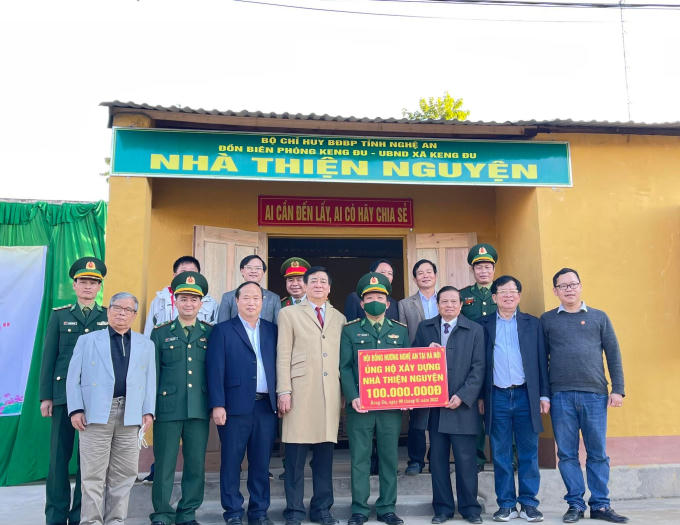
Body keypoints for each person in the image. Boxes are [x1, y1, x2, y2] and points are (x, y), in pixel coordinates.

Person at [541, 268, 628, 524]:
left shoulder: (599, 317)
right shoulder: (547, 320)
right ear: (555, 291)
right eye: (563, 286)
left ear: (580, 286)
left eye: (573, 284)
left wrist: (618, 389)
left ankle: (601, 505)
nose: (569, 289)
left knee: (597, 452)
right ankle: (575, 505)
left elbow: (613, 354)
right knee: (567, 454)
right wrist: (544, 394)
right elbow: (541, 361)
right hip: (561, 396)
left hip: (595, 395)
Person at [66, 292, 156, 525]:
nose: (122, 313)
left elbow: (149, 381)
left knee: (124, 475)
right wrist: (76, 409)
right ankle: (91, 522)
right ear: (108, 310)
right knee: (92, 476)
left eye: (128, 310)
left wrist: (148, 411)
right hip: (96, 414)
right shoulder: (87, 341)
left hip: (130, 414)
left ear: (134, 315)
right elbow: (73, 378)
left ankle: (116, 521)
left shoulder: (146, 344)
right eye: (117, 308)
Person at [39, 256, 109, 525]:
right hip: (63, 397)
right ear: (74, 285)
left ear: (99, 286)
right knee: (58, 459)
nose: (88, 286)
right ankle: (55, 516)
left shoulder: (107, 317)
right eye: (83, 281)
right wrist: (46, 396)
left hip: (95, 399)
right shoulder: (60, 316)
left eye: (93, 282)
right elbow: (49, 357)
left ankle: (81, 515)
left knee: (89, 462)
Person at [276, 266, 346, 525]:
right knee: (294, 458)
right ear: (305, 286)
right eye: (313, 280)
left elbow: (343, 358)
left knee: (324, 458)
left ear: (329, 288)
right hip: (299, 393)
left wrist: (344, 392)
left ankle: (322, 509)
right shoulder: (288, 314)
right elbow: (283, 354)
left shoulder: (339, 317)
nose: (318, 285)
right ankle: (294, 511)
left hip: (329, 393)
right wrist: (284, 390)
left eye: (323, 281)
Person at [410, 286, 486, 525]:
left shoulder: (475, 330)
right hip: (434, 409)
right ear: (438, 304)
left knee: (466, 461)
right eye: (445, 301)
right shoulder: (425, 328)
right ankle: (442, 509)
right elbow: (412, 360)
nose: (449, 305)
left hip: (462, 407)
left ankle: (470, 508)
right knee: (438, 461)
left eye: (454, 301)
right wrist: (425, 352)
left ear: (461, 305)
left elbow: (479, 367)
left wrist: (463, 395)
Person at [477, 276, 550, 523]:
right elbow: (479, 364)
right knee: (500, 453)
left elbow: (542, 362)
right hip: (496, 396)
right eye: (502, 291)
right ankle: (506, 504)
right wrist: (481, 396)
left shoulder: (533, 324)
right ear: (494, 297)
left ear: (519, 296)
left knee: (528, 452)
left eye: (513, 291)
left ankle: (529, 503)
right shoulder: (483, 325)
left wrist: (543, 394)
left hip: (525, 395)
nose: (508, 295)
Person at [340, 272, 409, 525]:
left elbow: (407, 366)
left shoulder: (400, 331)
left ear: (388, 303)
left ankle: (387, 508)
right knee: (360, 458)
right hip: (361, 406)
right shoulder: (350, 331)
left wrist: (407, 393)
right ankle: (359, 508)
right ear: (361, 303)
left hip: (390, 408)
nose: (375, 302)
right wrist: (353, 396)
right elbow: (345, 367)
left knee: (389, 458)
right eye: (369, 298)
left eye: (380, 298)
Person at [207, 281, 278, 525]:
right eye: (246, 297)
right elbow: (215, 369)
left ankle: (259, 512)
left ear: (263, 302)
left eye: (256, 298)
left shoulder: (272, 330)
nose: (251, 302)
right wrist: (218, 404)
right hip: (234, 407)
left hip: (265, 407)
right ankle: (233, 512)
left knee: (261, 463)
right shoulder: (223, 330)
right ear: (236, 301)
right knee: (231, 461)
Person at [150, 271, 213, 525]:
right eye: (183, 298)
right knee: (164, 464)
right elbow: (153, 374)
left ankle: (187, 513)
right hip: (167, 408)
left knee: (195, 465)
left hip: (199, 407)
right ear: (175, 301)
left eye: (194, 299)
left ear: (201, 303)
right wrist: (150, 409)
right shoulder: (160, 333)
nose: (189, 304)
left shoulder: (210, 333)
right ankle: (162, 514)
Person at [459, 243, 499, 472]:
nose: (483, 271)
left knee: (500, 410)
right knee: (473, 410)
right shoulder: (463, 295)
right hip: (471, 361)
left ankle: (508, 457)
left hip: (497, 360)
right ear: (472, 270)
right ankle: (476, 459)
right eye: (479, 267)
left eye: (487, 267)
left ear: (493, 269)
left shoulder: (503, 292)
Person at [398, 258, 438, 475]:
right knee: (417, 417)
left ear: (435, 275)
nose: (425, 275)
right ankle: (416, 460)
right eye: (420, 273)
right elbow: (404, 336)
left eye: (429, 271)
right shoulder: (405, 304)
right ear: (414, 279)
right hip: (417, 365)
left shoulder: (446, 299)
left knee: (440, 416)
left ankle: (437, 459)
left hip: (444, 365)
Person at [144, 255, 219, 336]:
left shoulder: (210, 302)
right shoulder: (160, 299)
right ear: (174, 276)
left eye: (192, 272)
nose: (188, 276)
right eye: (183, 272)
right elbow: (149, 331)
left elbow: (216, 333)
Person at [218, 255, 281, 324]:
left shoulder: (274, 298)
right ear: (242, 271)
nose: (253, 271)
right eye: (249, 267)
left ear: (263, 273)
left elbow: (278, 326)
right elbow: (222, 325)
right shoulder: (228, 297)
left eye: (258, 268)